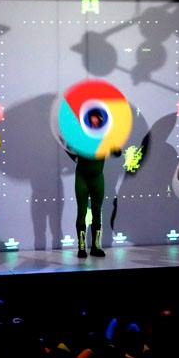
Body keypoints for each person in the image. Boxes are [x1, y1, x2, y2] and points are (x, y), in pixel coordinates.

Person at [70, 111, 120, 258]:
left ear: (100, 120)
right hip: (82, 179)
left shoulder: (105, 137)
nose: (95, 121)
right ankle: (81, 248)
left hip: (97, 179)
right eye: (92, 119)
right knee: (82, 212)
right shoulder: (81, 136)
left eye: (97, 119)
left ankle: (95, 247)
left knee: (97, 212)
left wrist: (113, 144)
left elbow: (117, 153)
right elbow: (71, 150)